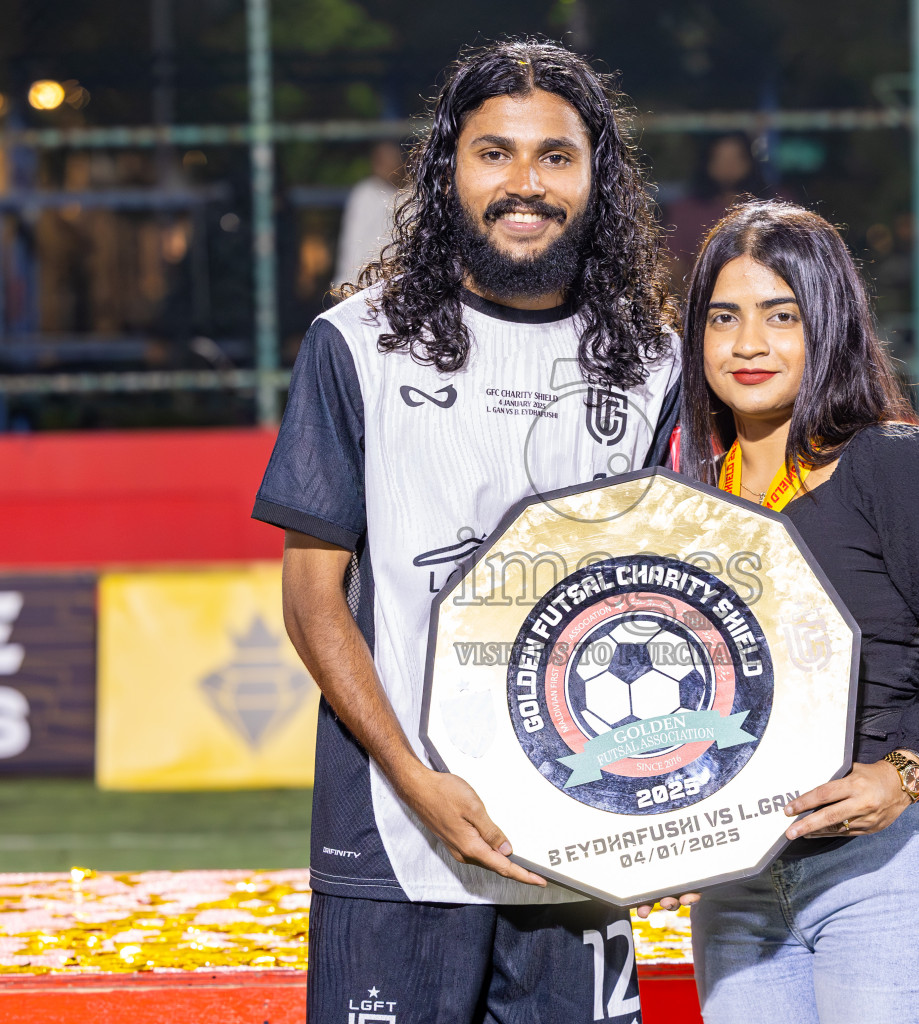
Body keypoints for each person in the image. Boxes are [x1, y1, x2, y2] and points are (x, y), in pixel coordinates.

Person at [251, 39, 680, 1024]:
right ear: (448, 170)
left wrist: (672, 808)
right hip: (395, 832)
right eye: (495, 153)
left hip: (579, 842)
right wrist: (414, 777)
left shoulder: (653, 363)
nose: (525, 184)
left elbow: (673, 595)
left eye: (556, 157)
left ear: (598, 178)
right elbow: (312, 599)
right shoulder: (356, 345)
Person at [667, 201, 919, 1023]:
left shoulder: (891, 465)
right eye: (724, 318)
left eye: (781, 316)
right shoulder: (688, 503)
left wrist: (905, 772)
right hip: (739, 883)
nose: (749, 344)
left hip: (884, 870)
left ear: (828, 326)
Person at [664, 132, 769, 287]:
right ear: (707, 162)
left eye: (736, 158)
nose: (729, 165)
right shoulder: (684, 211)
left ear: (749, 161)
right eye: (721, 158)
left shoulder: (770, 207)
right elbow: (673, 266)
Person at [332, 140, 405, 289]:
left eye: (392, 159)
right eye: (382, 160)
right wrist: (346, 284)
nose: (387, 165)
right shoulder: (364, 194)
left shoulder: (412, 195)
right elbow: (352, 245)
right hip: (365, 286)